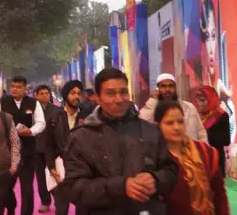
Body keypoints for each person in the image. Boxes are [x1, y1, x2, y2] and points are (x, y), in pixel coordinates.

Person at [62, 68, 178, 214]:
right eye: (110, 93)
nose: (119, 99)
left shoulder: (151, 131)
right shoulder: (81, 137)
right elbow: (74, 188)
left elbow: (171, 171)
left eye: (123, 92)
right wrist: (121, 187)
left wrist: (155, 180)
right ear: (98, 98)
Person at [155, 100, 229, 215]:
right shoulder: (155, 159)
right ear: (157, 126)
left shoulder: (205, 153)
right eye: (169, 123)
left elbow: (219, 195)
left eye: (180, 122)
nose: (177, 127)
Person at [0, 75, 46, 215]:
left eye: (18, 87)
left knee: (27, 189)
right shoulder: (2, 102)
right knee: (5, 187)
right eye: (13, 86)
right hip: (7, 153)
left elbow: (41, 123)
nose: (15, 89)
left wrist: (30, 131)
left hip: (27, 152)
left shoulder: (33, 103)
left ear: (25, 89)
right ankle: (11, 207)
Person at [45, 80, 88, 215]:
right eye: (73, 93)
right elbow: (48, 144)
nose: (76, 96)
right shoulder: (54, 117)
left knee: (83, 208)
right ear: (65, 95)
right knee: (62, 208)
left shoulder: (87, 117)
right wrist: (51, 167)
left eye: (79, 93)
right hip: (61, 170)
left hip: (82, 171)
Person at [139, 73, 208, 142]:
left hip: (191, 147)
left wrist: (203, 148)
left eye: (171, 86)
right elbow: (141, 122)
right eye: (163, 86)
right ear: (157, 89)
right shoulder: (153, 108)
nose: (167, 89)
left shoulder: (189, 107)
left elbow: (201, 132)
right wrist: (153, 101)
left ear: (175, 88)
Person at [194, 86, 230, 175]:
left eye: (202, 100)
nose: (199, 104)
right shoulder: (195, 115)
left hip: (215, 159)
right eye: (197, 100)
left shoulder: (221, 115)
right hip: (198, 158)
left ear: (211, 99)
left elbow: (226, 141)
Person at [33, 84, 58, 213]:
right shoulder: (32, 110)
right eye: (41, 94)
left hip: (52, 149)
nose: (44, 96)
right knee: (41, 177)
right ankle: (45, 202)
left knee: (55, 175)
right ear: (36, 95)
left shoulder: (56, 110)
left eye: (46, 93)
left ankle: (59, 201)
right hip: (37, 148)